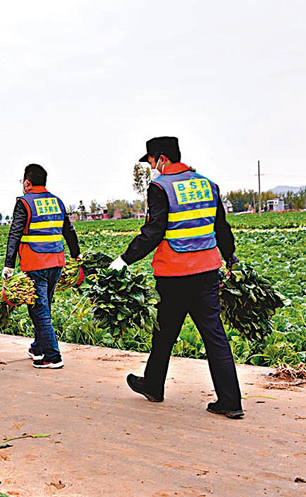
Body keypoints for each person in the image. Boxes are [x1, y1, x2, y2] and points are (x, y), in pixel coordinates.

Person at [112, 136, 244, 419]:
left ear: (161, 158)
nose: (150, 166)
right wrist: (230, 257)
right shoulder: (208, 185)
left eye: (150, 160)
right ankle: (230, 400)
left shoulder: (160, 187)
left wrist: (125, 259)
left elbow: (154, 230)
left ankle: (154, 385)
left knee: (165, 332)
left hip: (174, 274)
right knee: (214, 335)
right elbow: (221, 226)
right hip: (208, 271)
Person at [3, 164, 81, 369]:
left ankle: (52, 355)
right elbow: (69, 230)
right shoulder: (57, 201)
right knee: (44, 305)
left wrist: (9, 264)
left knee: (39, 310)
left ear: (27, 182)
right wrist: (76, 254)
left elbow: (15, 233)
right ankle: (38, 348)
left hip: (35, 263)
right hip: (56, 262)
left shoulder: (24, 202)